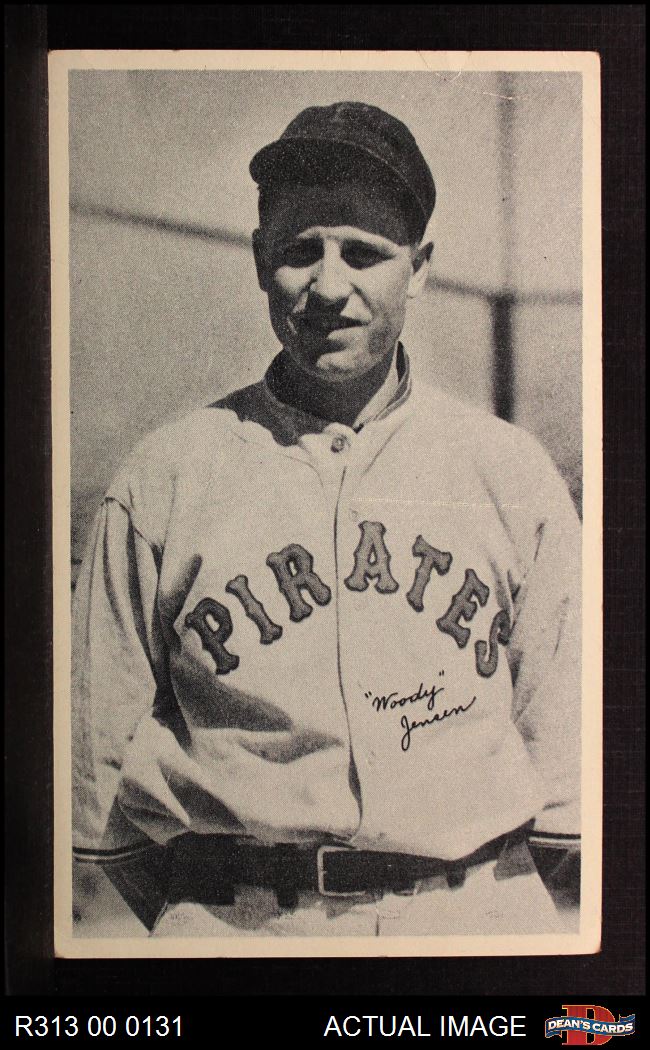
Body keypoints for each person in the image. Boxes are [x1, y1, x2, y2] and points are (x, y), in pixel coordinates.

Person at [72, 101, 581, 939]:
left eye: (365, 253)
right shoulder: (166, 477)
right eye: (301, 251)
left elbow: (569, 777)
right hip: (240, 922)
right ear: (260, 261)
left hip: (471, 912)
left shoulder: (508, 474)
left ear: (419, 269)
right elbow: (97, 782)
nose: (330, 287)